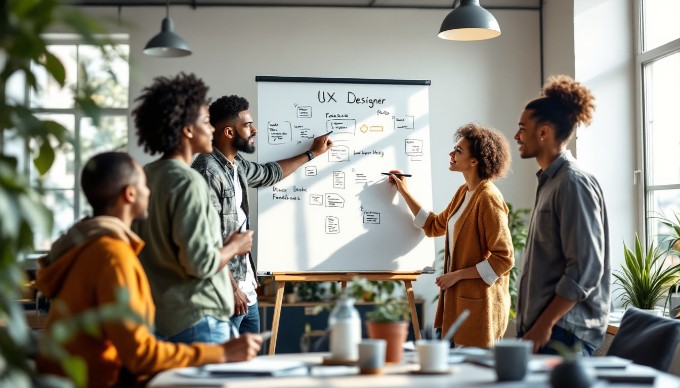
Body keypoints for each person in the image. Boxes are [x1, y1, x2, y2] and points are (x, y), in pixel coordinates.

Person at [35, 152, 262, 387]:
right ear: (130, 194)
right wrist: (221, 353)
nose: (149, 192)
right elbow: (140, 355)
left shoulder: (89, 245)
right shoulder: (112, 255)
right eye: (144, 185)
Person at [191, 95, 332, 334]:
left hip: (245, 292)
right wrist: (232, 288)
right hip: (224, 294)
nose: (254, 129)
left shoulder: (237, 165)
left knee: (248, 364)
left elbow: (270, 173)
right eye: (247, 125)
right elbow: (206, 239)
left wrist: (311, 154)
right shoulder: (207, 171)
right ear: (228, 132)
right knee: (224, 367)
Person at [131, 73, 254, 344]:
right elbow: (201, 263)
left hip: (159, 317)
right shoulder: (189, 181)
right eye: (205, 123)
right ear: (188, 130)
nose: (212, 129)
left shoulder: (144, 176)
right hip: (198, 320)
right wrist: (235, 246)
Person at [388, 123, 514, 348]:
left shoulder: (488, 198)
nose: (451, 154)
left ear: (475, 161)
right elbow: (434, 225)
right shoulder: (464, 192)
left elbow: (504, 259)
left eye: (458, 151)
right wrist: (403, 191)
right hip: (461, 301)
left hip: (481, 305)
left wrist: (456, 275)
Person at [514, 75, 610, 356]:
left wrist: (544, 325)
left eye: (522, 129)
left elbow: (584, 269)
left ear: (543, 132)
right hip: (546, 331)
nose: (517, 136)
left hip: (563, 334)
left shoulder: (573, 183)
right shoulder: (550, 182)